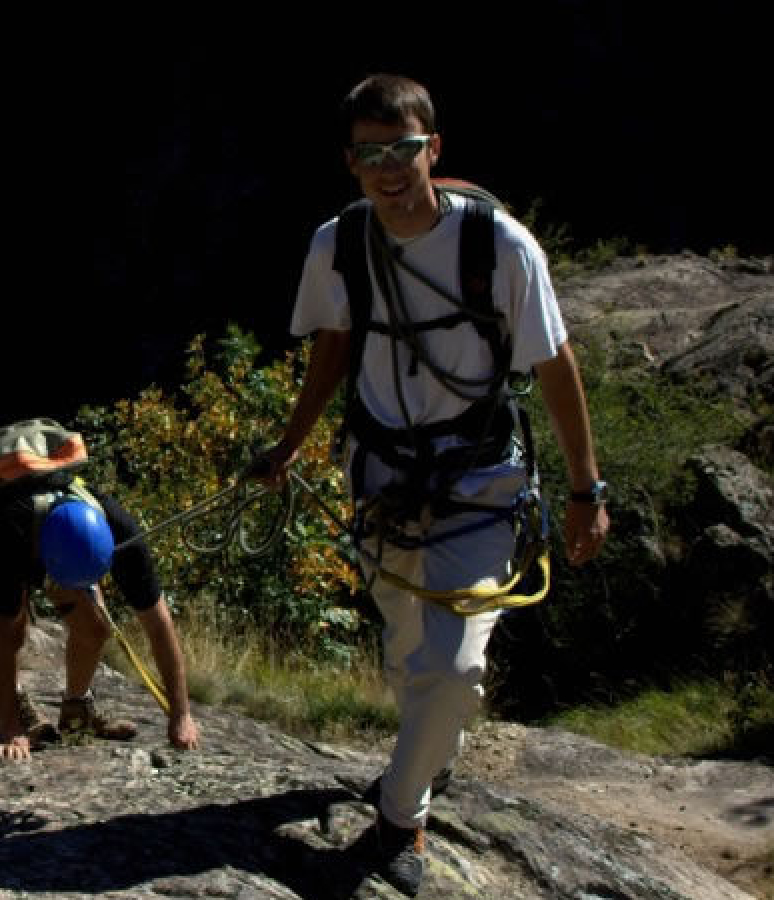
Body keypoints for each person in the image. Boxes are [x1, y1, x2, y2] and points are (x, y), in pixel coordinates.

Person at [247, 74, 610, 895]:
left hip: (478, 479)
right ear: (351, 161)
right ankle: (429, 748)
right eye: (371, 153)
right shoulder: (335, 245)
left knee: (449, 668)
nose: (389, 168)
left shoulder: (503, 246)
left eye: (404, 149)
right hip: (379, 477)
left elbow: (553, 362)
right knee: (410, 643)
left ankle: (400, 814)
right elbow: (330, 351)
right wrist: (288, 446)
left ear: (433, 149)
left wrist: (587, 490)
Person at [0, 423, 201, 762]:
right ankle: (17, 705)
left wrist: (180, 714)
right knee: (13, 632)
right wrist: (9, 729)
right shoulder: (2, 534)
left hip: (57, 541)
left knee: (95, 627)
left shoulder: (118, 530)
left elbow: (158, 624)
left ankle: (76, 711)